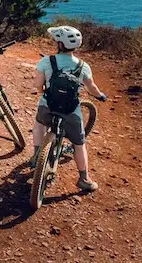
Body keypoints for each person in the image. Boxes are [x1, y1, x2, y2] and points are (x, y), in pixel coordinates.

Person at [32, 26, 108, 192]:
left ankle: (36, 157)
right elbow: (91, 88)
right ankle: (84, 179)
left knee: (39, 124)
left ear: (59, 44)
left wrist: (43, 92)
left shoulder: (47, 61)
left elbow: (38, 85)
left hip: (48, 106)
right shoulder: (83, 66)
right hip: (70, 112)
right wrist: (100, 96)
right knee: (79, 144)